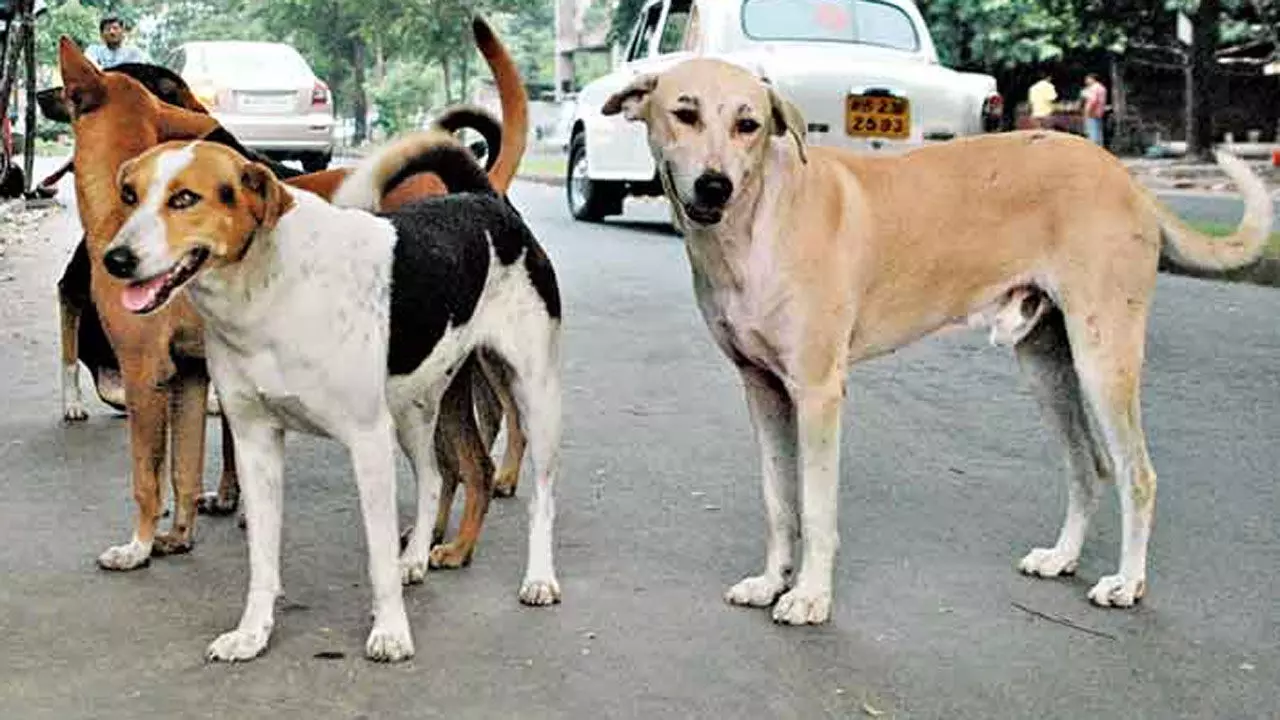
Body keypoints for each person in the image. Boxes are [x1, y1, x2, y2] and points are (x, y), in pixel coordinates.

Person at [84, 16, 149, 69]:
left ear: (123, 32)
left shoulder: (134, 53)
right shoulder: (94, 51)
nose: (112, 32)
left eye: (115, 28)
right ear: (102, 34)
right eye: (107, 29)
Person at [1081, 73, 1108, 146]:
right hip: (1099, 112)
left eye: (1087, 79)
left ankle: (1093, 147)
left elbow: (1093, 100)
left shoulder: (1093, 88)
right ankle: (1100, 148)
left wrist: (1087, 111)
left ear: (1093, 79)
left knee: (1092, 132)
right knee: (1098, 131)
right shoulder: (1102, 87)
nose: (1086, 80)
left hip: (1092, 112)